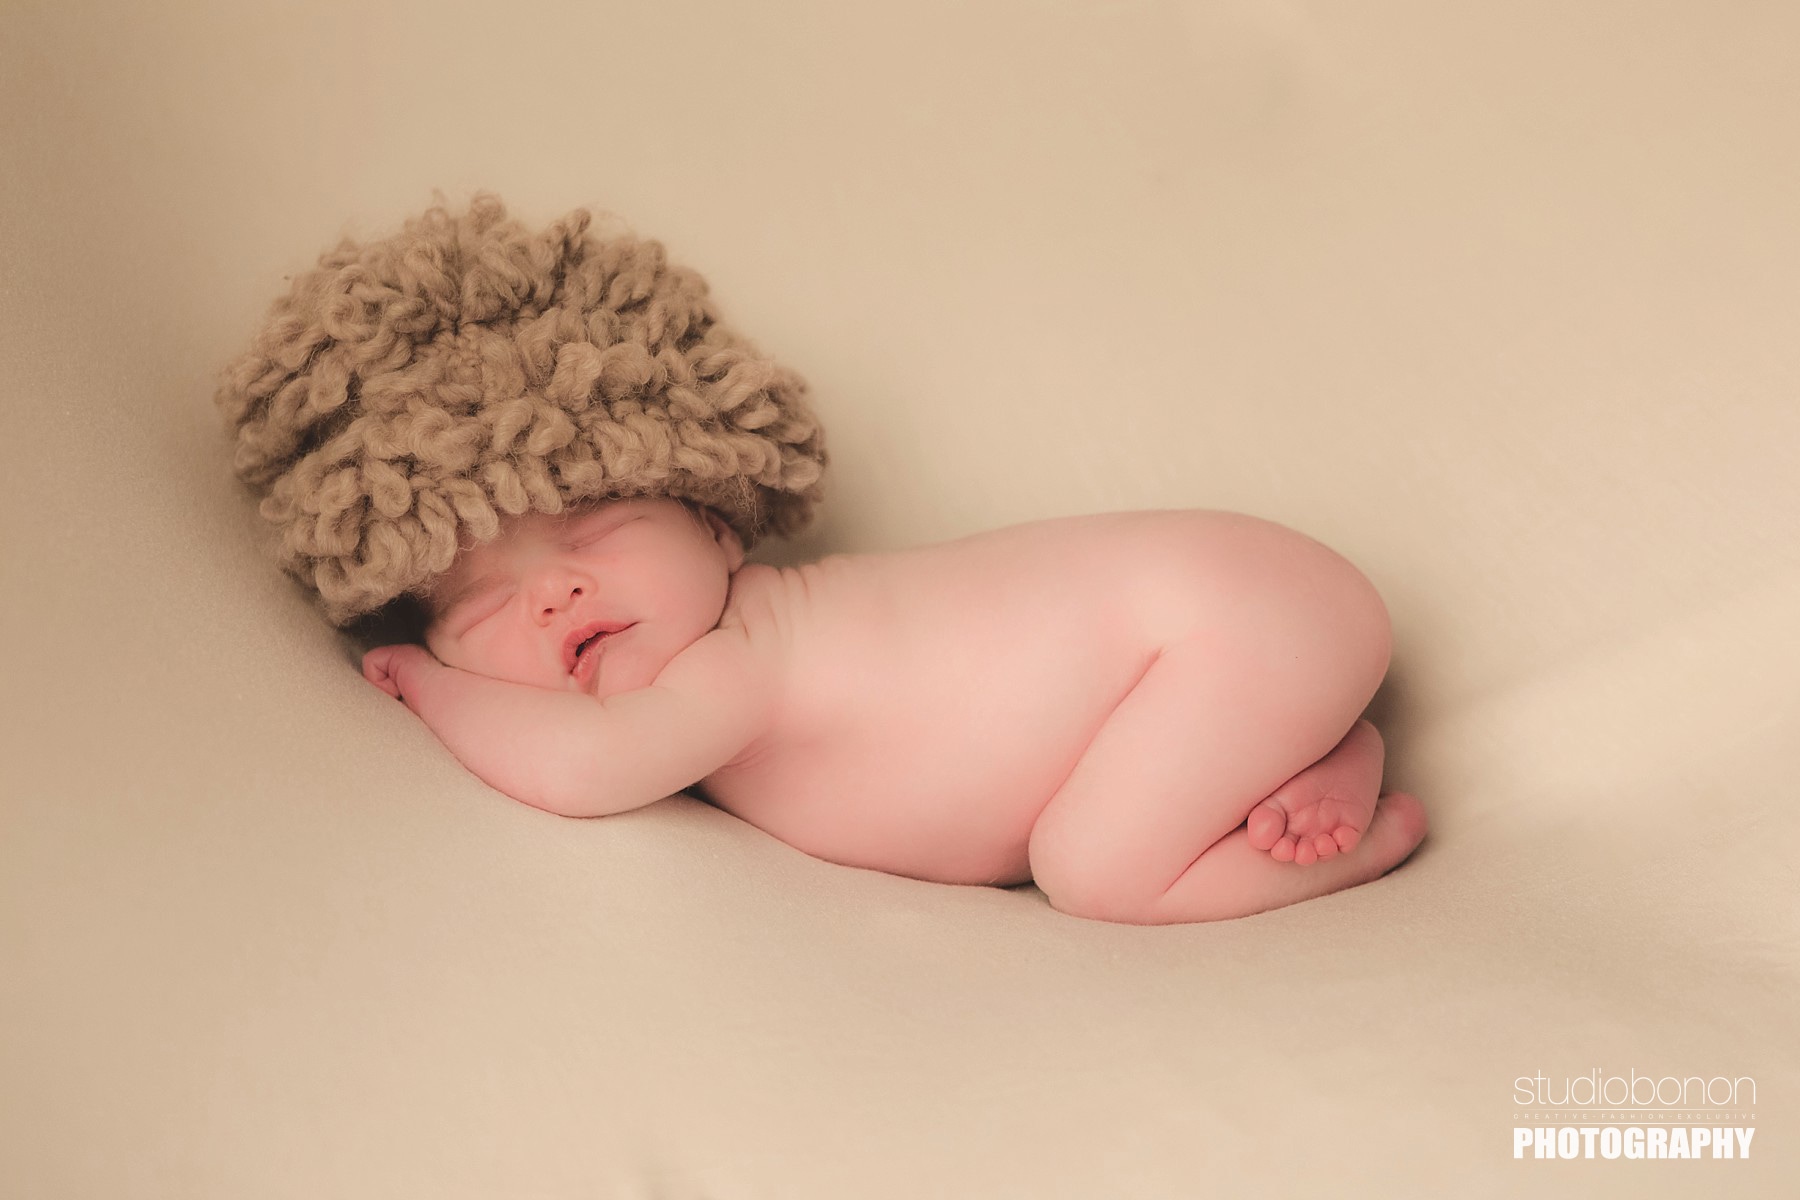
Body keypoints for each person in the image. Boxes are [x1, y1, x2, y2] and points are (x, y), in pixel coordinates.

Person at [217, 193, 1427, 925]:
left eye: (592, 531)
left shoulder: (736, 663)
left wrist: (431, 683)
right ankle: (1312, 747)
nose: (552, 591)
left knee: (1096, 872)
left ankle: (1363, 835)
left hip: (1217, 623)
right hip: (1233, 626)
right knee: (1104, 832)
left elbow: (587, 769)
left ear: (716, 521)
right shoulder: (757, 646)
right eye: (477, 601)